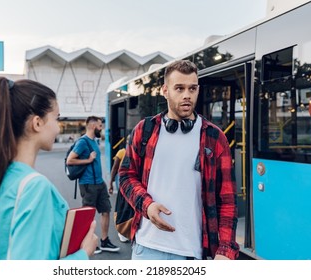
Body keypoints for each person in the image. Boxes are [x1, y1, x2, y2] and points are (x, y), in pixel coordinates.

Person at [119, 60, 239, 260]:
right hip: (146, 249)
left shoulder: (215, 137)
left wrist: (225, 250)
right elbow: (126, 176)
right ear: (165, 91)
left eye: (192, 89)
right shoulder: (144, 130)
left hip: (192, 253)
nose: (187, 95)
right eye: (179, 88)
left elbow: (227, 199)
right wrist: (147, 206)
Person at [0, 77, 97, 260]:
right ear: (37, 123)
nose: (58, 129)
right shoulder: (34, 187)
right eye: (56, 118)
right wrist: (84, 254)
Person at [66, 116, 120, 254]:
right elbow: (70, 160)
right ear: (92, 126)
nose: (101, 128)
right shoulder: (82, 142)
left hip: (99, 182)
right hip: (88, 184)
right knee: (88, 215)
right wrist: (88, 160)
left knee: (106, 210)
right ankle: (89, 242)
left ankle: (104, 241)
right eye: (100, 126)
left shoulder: (94, 141)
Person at [109, 135, 130, 243]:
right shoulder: (121, 152)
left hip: (133, 184)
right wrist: (110, 183)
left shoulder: (137, 152)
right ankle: (121, 231)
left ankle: (127, 229)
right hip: (122, 182)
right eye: (128, 140)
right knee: (122, 206)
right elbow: (114, 168)